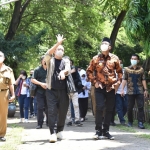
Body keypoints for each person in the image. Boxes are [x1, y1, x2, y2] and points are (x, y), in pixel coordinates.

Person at [86, 37, 122, 140]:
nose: (104, 45)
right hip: (99, 87)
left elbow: (120, 72)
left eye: (106, 44)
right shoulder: (95, 58)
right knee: (99, 107)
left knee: (109, 109)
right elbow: (89, 72)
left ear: (110, 47)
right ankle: (98, 131)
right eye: (102, 43)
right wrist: (94, 82)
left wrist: (118, 83)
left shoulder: (115, 58)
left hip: (111, 87)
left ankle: (106, 131)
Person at [44, 34, 70, 143]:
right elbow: (47, 53)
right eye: (58, 49)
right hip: (51, 90)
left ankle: (60, 131)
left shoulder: (66, 61)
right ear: (55, 51)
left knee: (63, 111)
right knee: (52, 111)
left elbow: (68, 69)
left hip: (64, 91)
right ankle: (52, 132)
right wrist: (58, 43)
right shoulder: (50, 60)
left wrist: (63, 72)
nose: (60, 50)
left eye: (62, 49)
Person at [121, 54, 148, 129]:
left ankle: (140, 122)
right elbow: (124, 79)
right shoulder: (126, 69)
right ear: (130, 59)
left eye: (135, 59)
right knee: (129, 107)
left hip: (139, 90)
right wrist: (122, 89)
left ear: (138, 60)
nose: (133, 60)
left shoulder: (141, 69)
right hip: (130, 91)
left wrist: (145, 90)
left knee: (141, 107)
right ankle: (130, 121)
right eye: (132, 58)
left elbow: (143, 80)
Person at [0, 51, 15, 142]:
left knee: (3, 114)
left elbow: (11, 84)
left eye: (0, 56)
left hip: (4, 93)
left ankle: (1, 134)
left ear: (4, 58)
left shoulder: (8, 70)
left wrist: (13, 94)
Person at [31, 56, 48, 129]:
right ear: (41, 61)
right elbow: (32, 79)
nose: (45, 61)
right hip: (39, 91)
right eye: (44, 60)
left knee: (49, 108)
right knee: (40, 107)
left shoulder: (50, 69)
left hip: (49, 91)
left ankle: (49, 122)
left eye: (47, 60)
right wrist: (41, 84)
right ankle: (39, 123)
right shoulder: (37, 69)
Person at [66, 59, 83, 126]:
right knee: (68, 107)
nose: (69, 64)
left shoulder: (74, 69)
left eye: (70, 63)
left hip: (74, 90)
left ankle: (77, 120)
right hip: (67, 91)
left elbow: (78, 78)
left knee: (76, 105)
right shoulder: (63, 69)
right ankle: (69, 120)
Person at [115, 60, 128, 125]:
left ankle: (120, 116)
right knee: (119, 106)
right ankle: (122, 120)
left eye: (121, 63)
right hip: (117, 92)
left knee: (126, 106)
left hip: (126, 92)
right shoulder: (114, 73)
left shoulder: (125, 72)